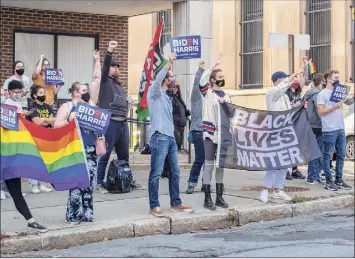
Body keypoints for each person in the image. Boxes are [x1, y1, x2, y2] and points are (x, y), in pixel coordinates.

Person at [54, 50, 102, 223]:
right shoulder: (67, 106)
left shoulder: (90, 105)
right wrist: (69, 120)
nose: (87, 92)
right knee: (75, 183)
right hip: (74, 149)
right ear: (75, 93)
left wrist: (97, 61)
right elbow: (56, 125)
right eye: (83, 90)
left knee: (88, 183)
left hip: (89, 148)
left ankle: (88, 214)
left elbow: (97, 80)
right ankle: (74, 214)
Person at [147, 53, 193, 217]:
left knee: (175, 172)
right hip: (159, 137)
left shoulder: (168, 96)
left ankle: (176, 203)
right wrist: (169, 63)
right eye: (171, 76)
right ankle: (154, 205)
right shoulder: (154, 93)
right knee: (156, 173)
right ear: (166, 78)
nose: (174, 78)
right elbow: (158, 79)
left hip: (171, 137)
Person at [96, 41, 144, 193]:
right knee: (105, 155)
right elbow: (104, 68)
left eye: (118, 67)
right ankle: (99, 183)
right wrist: (109, 51)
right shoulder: (104, 82)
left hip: (122, 123)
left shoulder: (119, 85)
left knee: (124, 155)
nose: (116, 68)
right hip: (110, 123)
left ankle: (127, 179)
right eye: (114, 66)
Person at [2, 81, 47, 231]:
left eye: (19, 91)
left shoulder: (18, 106)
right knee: (16, 191)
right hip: (6, 153)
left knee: (16, 192)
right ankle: (31, 220)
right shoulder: (5, 106)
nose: (17, 93)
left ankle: (30, 220)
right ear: (9, 92)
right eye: (14, 90)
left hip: (12, 155)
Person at [260, 68, 304, 203]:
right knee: (273, 162)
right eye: (284, 80)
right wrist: (293, 75)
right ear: (278, 81)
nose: (289, 82)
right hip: (275, 132)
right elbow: (281, 87)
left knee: (285, 162)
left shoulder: (285, 96)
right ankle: (265, 189)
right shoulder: (271, 93)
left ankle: (278, 189)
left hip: (286, 132)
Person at [198, 54, 231, 210]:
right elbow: (202, 80)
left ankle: (219, 196)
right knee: (209, 164)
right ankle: (207, 197)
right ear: (213, 79)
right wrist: (213, 65)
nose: (222, 79)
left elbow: (232, 113)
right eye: (219, 76)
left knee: (220, 166)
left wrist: (226, 104)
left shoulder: (226, 95)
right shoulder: (208, 93)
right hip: (210, 133)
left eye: (223, 76)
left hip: (223, 134)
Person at [317, 70, 352, 191]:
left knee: (341, 155)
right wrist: (334, 107)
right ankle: (328, 181)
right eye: (335, 78)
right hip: (329, 129)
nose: (337, 80)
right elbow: (321, 111)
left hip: (340, 128)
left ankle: (339, 179)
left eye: (338, 77)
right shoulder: (322, 94)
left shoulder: (339, 93)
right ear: (328, 79)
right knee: (327, 155)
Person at [27, 84, 55, 194]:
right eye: (40, 93)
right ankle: (34, 185)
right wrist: (47, 120)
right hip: (35, 137)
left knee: (45, 161)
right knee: (35, 161)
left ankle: (42, 184)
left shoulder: (48, 106)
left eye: (44, 93)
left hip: (46, 136)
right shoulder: (32, 107)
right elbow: (37, 122)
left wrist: (44, 120)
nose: (43, 95)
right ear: (34, 95)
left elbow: (54, 120)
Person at [185, 61, 206, 194]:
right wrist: (200, 71)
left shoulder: (210, 97)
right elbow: (196, 85)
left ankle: (206, 184)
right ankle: (192, 183)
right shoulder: (197, 97)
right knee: (200, 159)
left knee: (209, 160)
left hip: (210, 131)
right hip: (198, 130)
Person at [303, 73, 326, 184]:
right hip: (318, 126)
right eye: (324, 81)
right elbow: (319, 110)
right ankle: (313, 176)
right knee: (317, 152)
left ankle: (314, 175)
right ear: (321, 82)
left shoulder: (308, 93)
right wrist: (325, 124)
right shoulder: (318, 94)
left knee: (314, 152)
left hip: (310, 125)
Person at [285, 76, 306, 180]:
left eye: (298, 78)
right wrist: (294, 105)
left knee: (296, 147)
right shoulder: (286, 93)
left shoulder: (298, 92)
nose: (296, 80)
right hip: (289, 123)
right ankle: (285, 171)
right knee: (288, 147)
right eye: (294, 78)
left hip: (297, 122)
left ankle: (294, 170)